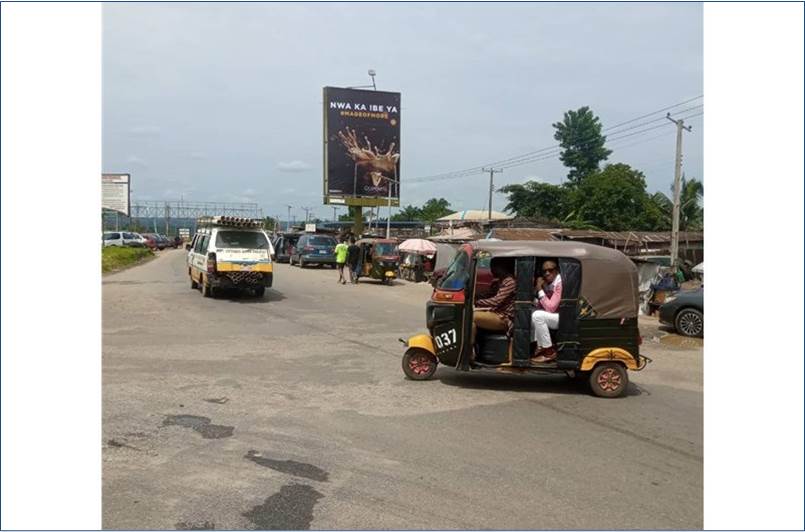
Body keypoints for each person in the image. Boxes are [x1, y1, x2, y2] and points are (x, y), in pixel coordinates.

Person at [472, 260, 516, 346]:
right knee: (469, 320)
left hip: (503, 318)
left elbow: (495, 301)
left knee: (472, 317)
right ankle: (472, 348)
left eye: (494, 267)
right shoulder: (498, 282)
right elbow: (487, 295)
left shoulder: (510, 281)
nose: (492, 270)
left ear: (502, 268)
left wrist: (476, 301)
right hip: (495, 312)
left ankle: (469, 350)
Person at [530, 260, 562, 363]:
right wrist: (539, 287)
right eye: (544, 271)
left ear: (556, 271)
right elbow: (539, 304)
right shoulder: (549, 283)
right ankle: (539, 345)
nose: (547, 273)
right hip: (556, 315)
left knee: (537, 315)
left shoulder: (559, 284)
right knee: (532, 312)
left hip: (564, 317)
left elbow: (551, 307)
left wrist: (540, 289)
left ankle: (549, 351)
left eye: (550, 270)